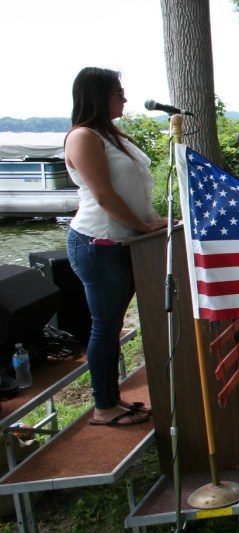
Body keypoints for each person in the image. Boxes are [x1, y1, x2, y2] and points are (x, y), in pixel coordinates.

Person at [64, 68, 162, 427]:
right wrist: (146, 226)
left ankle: (113, 399)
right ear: (97, 95)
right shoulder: (84, 137)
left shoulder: (111, 133)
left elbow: (133, 186)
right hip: (98, 244)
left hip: (126, 242)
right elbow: (104, 196)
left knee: (113, 323)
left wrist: (152, 221)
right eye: (118, 92)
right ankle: (104, 406)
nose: (124, 98)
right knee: (106, 327)